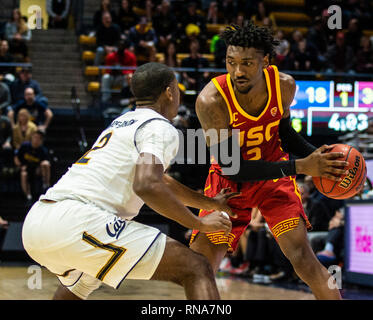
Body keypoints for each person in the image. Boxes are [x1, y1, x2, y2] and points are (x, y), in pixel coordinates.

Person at [21, 62, 238, 300]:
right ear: (169, 92)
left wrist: (208, 203)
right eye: (177, 89)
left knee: (78, 287)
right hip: (78, 219)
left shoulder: (122, 123)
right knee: (196, 267)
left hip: (39, 222)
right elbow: (147, 185)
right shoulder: (159, 126)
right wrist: (200, 223)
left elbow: (161, 181)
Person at [189, 23, 349, 300]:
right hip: (229, 184)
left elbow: (284, 133)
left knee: (304, 259)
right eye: (231, 62)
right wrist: (301, 166)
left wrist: (319, 158)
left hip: (274, 177)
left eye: (247, 63)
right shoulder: (211, 100)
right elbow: (232, 167)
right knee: (200, 268)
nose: (238, 71)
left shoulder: (284, 86)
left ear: (265, 61)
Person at [14, 130, 51, 201]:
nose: (36, 140)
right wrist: (21, 166)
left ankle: (46, 184)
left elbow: (46, 161)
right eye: (35, 137)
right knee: (24, 174)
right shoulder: (25, 146)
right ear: (32, 138)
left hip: (37, 169)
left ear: (41, 140)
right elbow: (16, 158)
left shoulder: (43, 150)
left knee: (45, 164)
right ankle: (28, 195)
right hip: (25, 168)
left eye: (38, 138)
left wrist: (39, 168)